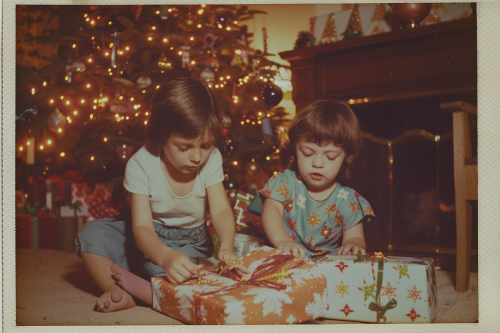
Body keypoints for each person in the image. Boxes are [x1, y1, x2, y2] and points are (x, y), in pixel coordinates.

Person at [75, 78, 239, 312]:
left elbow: (221, 209)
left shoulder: (211, 160)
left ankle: (147, 292)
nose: (197, 157)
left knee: (177, 274)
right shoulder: (141, 164)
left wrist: (226, 246)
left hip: (186, 241)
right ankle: (120, 293)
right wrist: (164, 256)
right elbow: (141, 227)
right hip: (143, 231)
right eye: (184, 147)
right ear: (161, 136)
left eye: (205, 146)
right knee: (90, 235)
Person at [259, 100, 375, 258]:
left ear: (346, 157)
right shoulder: (285, 181)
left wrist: (353, 244)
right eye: (307, 153)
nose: (317, 163)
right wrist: (282, 240)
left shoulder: (348, 199)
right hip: (283, 258)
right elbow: (271, 210)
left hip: (326, 267)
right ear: (295, 148)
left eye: (330, 156)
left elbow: (355, 237)